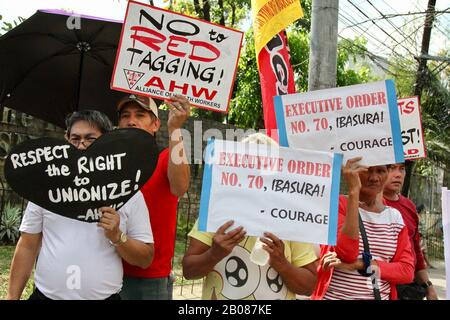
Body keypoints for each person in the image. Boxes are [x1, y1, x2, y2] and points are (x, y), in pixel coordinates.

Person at [7, 110, 154, 300]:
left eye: (90, 139)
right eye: (75, 138)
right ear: (66, 140)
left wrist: (118, 236)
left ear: (106, 141)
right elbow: (27, 245)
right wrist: (12, 297)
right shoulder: (46, 187)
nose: (81, 146)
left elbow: (145, 258)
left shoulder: (128, 191)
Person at [182, 133, 319, 300]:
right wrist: (214, 254)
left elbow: (308, 287)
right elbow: (189, 271)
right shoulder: (218, 212)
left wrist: (281, 263)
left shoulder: (290, 218)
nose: (258, 175)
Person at [117, 94, 191, 300]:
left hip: (149, 279)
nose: (131, 120)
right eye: (125, 115)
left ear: (155, 124)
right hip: (106, 268)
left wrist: (175, 129)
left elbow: (180, 187)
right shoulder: (108, 164)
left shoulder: (165, 158)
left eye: (140, 115)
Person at [312, 158, 414, 300]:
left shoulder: (395, 217)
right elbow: (347, 253)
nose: (373, 178)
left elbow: (406, 271)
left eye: (380, 171)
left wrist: (360, 264)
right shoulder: (338, 205)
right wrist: (354, 191)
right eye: (366, 171)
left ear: (388, 172)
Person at [383, 163, 438, 300]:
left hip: (408, 288)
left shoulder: (409, 206)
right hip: (379, 285)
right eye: (391, 168)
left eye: (402, 169)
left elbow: (416, 252)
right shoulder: (365, 206)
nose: (398, 174)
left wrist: (429, 288)